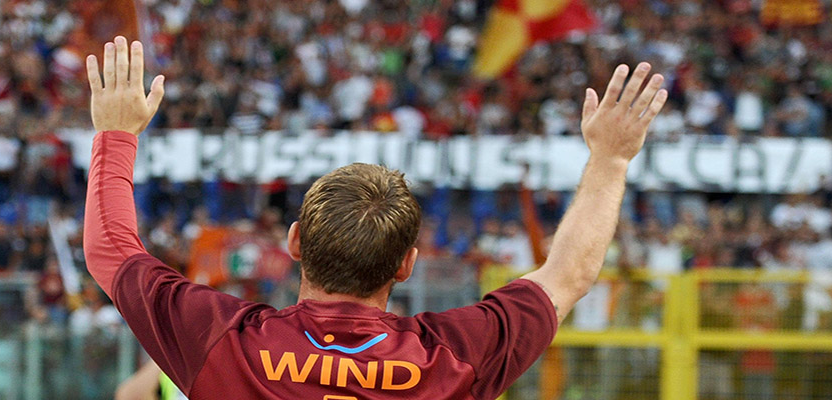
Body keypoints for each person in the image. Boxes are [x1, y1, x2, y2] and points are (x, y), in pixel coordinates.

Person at [83, 36, 667, 399]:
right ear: (407, 265)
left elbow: (111, 251)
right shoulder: (452, 358)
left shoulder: (222, 340)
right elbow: (568, 275)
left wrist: (115, 133)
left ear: (294, 243)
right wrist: (611, 159)